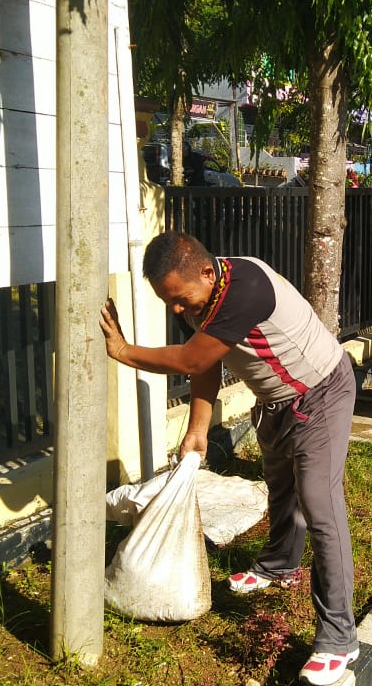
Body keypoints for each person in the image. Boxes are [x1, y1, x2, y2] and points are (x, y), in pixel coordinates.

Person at [99, 232, 358, 685]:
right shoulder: (197, 299)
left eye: (179, 299)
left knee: (319, 503)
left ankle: (339, 637)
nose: (177, 310)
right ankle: (280, 565)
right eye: (168, 302)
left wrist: (123, 351)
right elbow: (207, 366)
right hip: (275, 401)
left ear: (205, 270)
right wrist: (197, 431)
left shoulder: (246, 287)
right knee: (281, 489)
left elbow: (189, 361)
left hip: (322, 392)